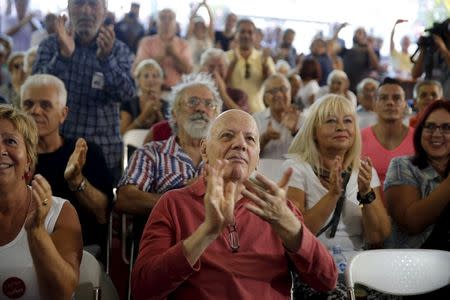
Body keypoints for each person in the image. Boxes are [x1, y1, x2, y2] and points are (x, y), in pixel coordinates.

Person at [131, 109, 338, 300]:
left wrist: (290, 225)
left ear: (257, 156)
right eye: (227, 136)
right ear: (204, 150)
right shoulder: (173, 204)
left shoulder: (276, 208)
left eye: (250, 139)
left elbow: (327, 280)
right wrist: (206, 233)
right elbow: (143, 289)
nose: (240, 144)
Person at [282, 94, 391, 298]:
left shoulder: (364, 171)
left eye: (347, 121)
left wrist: (366, 194)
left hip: (358, 269)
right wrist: (332, 195)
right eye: (331, 121)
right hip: (314, 268)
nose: (341, 127)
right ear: (314, 131)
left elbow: (378, 237)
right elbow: (295, 235)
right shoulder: (296, 169)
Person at [116, 72, 222, 250]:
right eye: (193, 102)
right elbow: (125, 199)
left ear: (216, 115)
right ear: (174, 112)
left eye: (209, 104)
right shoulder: (152, 153)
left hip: (218, 249)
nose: (201, 109)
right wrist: (183, 198)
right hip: (167, 246)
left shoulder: (225, 158)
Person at [33, 0, 135, 184]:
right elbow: (34, 93)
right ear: (69, 9)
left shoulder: (118, 50)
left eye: (93, 4)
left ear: (104, 12)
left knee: (103, 211)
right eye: (79, 3)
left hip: (105, 150)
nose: (86, 11)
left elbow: (127, 94)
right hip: (56, 148)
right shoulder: (51, 45)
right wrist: (63, 56)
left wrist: (107, 60)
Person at [20, 74, 113, 262]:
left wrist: (76, 180)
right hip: (20, 249)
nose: (35, 111)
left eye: (45, 105)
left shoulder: (87, 153)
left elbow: (102, 214)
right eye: (28, 104)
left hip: (77, 252)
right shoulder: (10, 156)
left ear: (63, 114)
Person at [0, 104, 82, 300]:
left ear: (28, 158)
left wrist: (37, 232)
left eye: (10, 141)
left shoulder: (60, 212)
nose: (0, 150)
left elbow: (63, 293)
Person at [385, 100, 450, 252]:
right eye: (430, 126)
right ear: (420, 131)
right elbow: (411, 223)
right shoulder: (402, 166)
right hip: (413, 264)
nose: (436, 134)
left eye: (446, 128)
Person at [361, 78, 415, 203]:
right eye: (384, 98)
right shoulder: (360, 138)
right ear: (374, 104)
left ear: (405, 104)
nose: (390, 102)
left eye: (396, 98)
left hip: (410, 214)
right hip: (368, 213)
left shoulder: (418, 139)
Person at [133, 8, 193, 88]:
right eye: (163, 18)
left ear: (175, 23)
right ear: (157, 22)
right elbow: (138, 70)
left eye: (170, 18)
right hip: (151, 91)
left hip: (176, 92)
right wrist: (161, 56)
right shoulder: (146, 42)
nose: (166, 22)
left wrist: (174, 55)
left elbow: (189, 71)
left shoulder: (184, 44)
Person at [226, 18, 275, 113]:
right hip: (232, 112)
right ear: (236, 34)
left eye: (250, 32)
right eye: (242, 32)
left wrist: (265, 65)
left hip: (258, 113)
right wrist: (234, 61)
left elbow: (271, 85)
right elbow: (222, 85)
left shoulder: (264, 58)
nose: (246, 35)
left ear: (255, 36)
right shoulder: (226, 57)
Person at [253, 73, 301, 159]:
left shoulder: (303, 119)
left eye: (283, 89)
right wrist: (265, 139)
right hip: (264, 171)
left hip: (295, 171)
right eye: (273, 91)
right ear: (265, 97)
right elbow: (248, 154)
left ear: (290, 92)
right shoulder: (256, 120)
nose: (279, 95)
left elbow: (311, 154)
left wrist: (295, 132)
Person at [120, 59, 169, 135]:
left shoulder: (168, 106)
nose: (151, 80)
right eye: (146, 76)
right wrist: (144, 115)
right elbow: (123, 135)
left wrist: (158, 114)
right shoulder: (128, 104)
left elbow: (171, 136)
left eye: (155, 76)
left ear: (162, 80)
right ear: (138, 80)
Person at [411, 18, 450, 99]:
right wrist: (422, 51)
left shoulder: (445, 51)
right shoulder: (430, 51)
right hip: (430, 100)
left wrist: (444, 50)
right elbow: (415, 74)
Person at [186, 1, 215, 67]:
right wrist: (198, 6)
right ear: (194, 27)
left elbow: (212, 21)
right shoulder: (190, 37)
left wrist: (206, 6)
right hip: (192, 68)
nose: (200, 27)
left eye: (202, 25)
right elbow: (191, 19)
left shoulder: (209, 38)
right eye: (198, 25)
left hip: (207, 69)